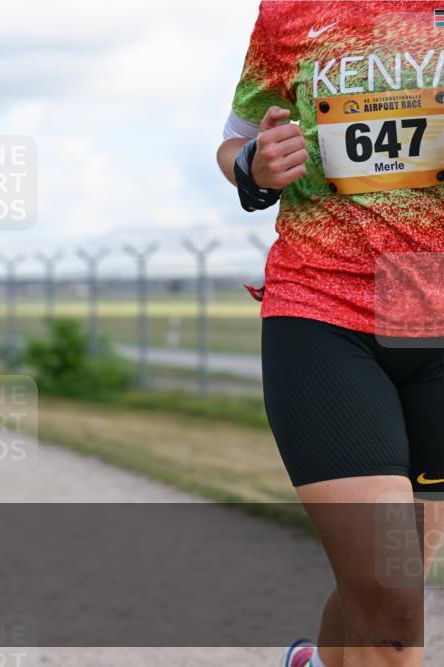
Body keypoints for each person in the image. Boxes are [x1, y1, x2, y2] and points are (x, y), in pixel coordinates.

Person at [217, 3, 443, 666]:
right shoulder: (291, 12)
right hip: (322, 309)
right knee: (392, 597)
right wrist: (252, 167)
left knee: (387, 581)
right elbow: (235, 139)